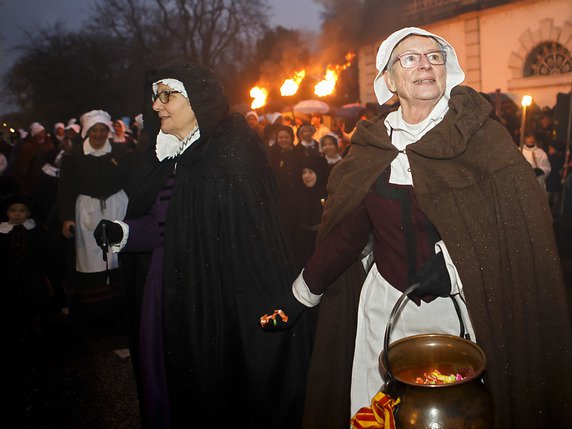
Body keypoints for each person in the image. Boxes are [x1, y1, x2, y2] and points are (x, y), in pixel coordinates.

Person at [263, 27, 572, 428]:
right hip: (385, 311)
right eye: (410, 58)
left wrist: (456, 270)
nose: (425, 64)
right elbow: (348, 232)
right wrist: (300, 295)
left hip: (461, 311)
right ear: (389, 80)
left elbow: (516, 235)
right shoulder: (372, 145)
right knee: (380, 415)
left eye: (435, 56)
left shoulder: (483, 139)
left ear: (448, 70)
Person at [94, 62, 313, 428]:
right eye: (154, 96)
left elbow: (255, 241)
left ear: (198, 100)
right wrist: (124, 233)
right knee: (164, 380)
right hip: (165, 294)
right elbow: (161, 226)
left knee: (213, 389)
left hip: (216, 300)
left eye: (166, 95)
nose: (156, 105)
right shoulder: (167, 157)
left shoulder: (232, 151)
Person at [58, 109, 133, 323]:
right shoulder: (73, 156)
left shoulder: (123, 153)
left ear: (108, 131)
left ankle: (119, 312)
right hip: (87, 212)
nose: (99, 135)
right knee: (93, 260)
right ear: (86, 131)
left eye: (102, 130)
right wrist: (66, 217)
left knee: (118, 258)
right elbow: (65, 189)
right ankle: (95, 315)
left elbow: (131, 183)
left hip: (117, 208)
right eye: (94, 130)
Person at [0, 194, 51, 341]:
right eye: (13, 210)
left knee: (34, 296)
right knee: (12, 297)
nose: (17, 214)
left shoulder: (35, 230)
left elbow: (44, 249)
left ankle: (36, 320)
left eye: (21, 210)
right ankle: (16, 324)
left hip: (32, 273)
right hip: (9, 274)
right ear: (7, 212)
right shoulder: (2, 231)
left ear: (28, 213)